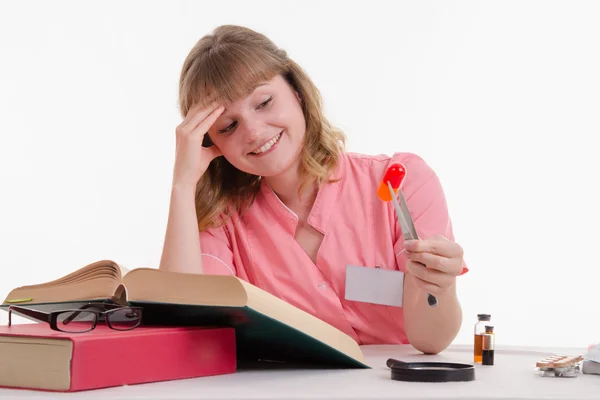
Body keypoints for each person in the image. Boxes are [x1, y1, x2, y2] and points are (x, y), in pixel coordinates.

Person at [159, 24, 468, 354]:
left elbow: (430, 341)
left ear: (296, 91)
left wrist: (441, 285)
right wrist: (182, 185)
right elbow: (188, 331)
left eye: (263, 102)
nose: (253, 132)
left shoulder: (401, 182)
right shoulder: (223, 222)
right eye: (228, 126)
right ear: (211, 142)